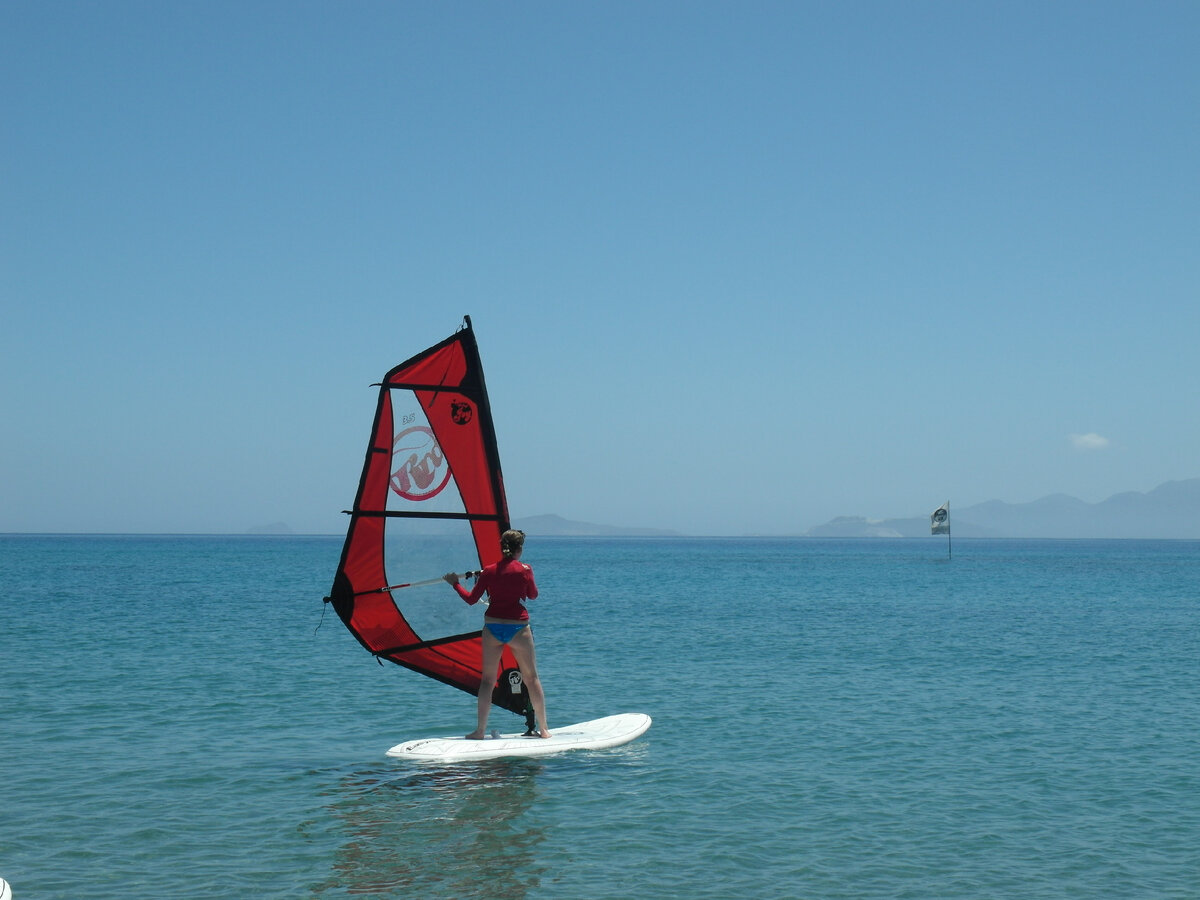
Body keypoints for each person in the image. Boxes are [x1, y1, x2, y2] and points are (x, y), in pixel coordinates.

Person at [444, 529, 550, 739]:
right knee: (531, 678)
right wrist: (525, 578)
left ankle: (480, 731)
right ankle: (545, 730)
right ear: (519, 549)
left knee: (487, 681)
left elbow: (471, 599)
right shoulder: (525, 570)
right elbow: (533, 595)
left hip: (492, 628)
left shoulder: (488, 572)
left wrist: (455, 584)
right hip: (518, 628)